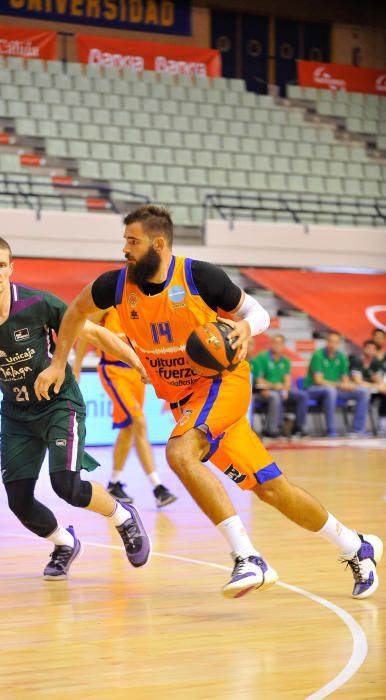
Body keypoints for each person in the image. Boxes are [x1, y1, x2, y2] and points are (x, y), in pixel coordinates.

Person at [35, 205, 382, 600]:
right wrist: (59, 362)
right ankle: (357, 546)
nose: (125, 249)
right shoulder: (114, 286)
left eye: (133, 241)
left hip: (223, 383)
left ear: (158, 243)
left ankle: (248, 557)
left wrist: (245, 328)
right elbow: (75, 313)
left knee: (181, 452)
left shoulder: (200, 276)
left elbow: (258, 313)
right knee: (272, 489)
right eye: (125, 241)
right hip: (186, 402)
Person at [0, 235, 151, 581]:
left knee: (68, 487)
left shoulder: (37, 302)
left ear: (11, 268)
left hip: (59, 403)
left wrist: (139, 364)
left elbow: (92, 333)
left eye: (1, 265)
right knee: (19, 501)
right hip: (16, 412)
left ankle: (123, 517)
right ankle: (64, 543)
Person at [74, 306, 178, 508]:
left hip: (138, 373)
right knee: (139, 421)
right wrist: (77, 367)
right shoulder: (107, 305)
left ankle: (114, 483)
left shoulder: (146, 308)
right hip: (113, 371)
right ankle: (158, 487)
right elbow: (85, 330)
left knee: (128, 429)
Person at [305, 332, 369, 437]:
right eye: (331, 341)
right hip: (313, 389)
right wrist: (340, 385)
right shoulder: (318, 355)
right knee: (331, 391)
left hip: (333, 389)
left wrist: (348, 385)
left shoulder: (341, 357)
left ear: (339, 344)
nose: (333, 344)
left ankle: (357, 430)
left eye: (336, 342)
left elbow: (344, 379)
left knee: (363, 392)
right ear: (327, 342)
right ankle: (331, 430)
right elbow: (318, 380)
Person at [254, 334, 308, 438]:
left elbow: (287, 381)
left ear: (284, 345)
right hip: (264, 391)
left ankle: (298, 428)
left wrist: (285, 390)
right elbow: (259, 381)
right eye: (275, 342)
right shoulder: (262, 357)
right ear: (271, 344)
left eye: (280, 343)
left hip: (281, 390)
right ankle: (273, 430)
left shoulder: (285, 361)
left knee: (302, 395)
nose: (277, 345)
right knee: (275, 395)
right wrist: (275, 386)